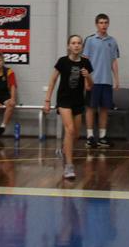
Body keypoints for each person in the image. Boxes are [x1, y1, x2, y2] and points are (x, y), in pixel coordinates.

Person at [43, 35, 94, 180]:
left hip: (78, 101)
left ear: (82, 46)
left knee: (76, 135)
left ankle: (64, 150)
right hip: (64, 101)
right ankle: (69, 166)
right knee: (70, 130)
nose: (76, 45)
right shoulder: (62, 61)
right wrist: (47, 100)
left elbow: (90, 87)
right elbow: (53, 80)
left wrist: (88, 76)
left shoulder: (85, 63)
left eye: (79, 43)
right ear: (68, 46)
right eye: (73, 43)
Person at [82, 13, 120, 148]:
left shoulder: (112, 41)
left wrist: (116, 79)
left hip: (107, 81)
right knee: (91, 108)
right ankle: (90, 137)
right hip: (93, 81)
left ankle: (102, 137)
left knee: (104, 109)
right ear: (96, 24)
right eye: (101, 22)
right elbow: (85, 60)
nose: (103, 25)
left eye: (105, 22)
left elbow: (114, 61)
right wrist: (86, 80)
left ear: (108, 24)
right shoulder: (90, 40)